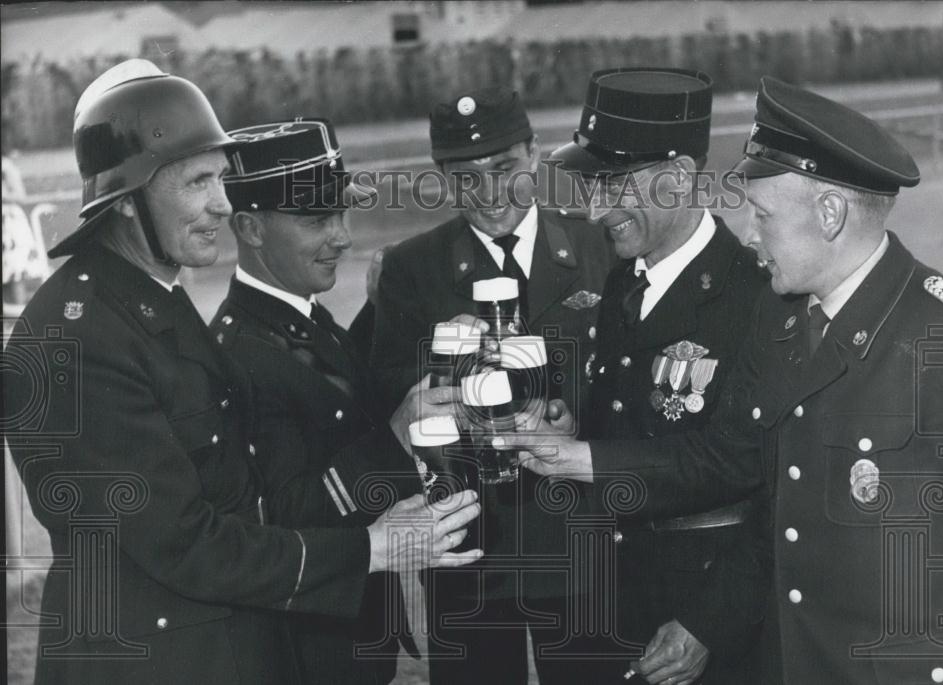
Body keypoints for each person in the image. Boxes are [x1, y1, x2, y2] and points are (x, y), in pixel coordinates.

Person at [2, 60, 481, 685]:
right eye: (198, 182)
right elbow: (185, 543)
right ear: (126, 201)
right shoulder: (75, 337)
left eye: (221, 180)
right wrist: (374, 548)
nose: (222, 204)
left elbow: (241, 494)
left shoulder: (148, 299)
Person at [509, 76, 943, 684]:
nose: (748, 235)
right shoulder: (796, 327)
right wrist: (572, 455)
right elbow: (762, 494)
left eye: (762, 215)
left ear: (829, 214)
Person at [370, 86, 616, 684]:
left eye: (504, 169)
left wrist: (574, 419)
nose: (488, 194)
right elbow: (388, 401)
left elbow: (629, 385)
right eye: (464, 178)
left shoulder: (597, 248)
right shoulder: (410, 270)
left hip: (580, 544)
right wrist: (438, 384)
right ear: (442, 179)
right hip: (469, 553)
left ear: (534, 156)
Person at [542, 66, 770, 684]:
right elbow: (636, 427)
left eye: (613, 185)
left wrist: (708, 625)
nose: (593, 209)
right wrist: (568, 427)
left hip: (705, 625)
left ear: (675, 180)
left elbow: (756, 478)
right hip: (617, 607)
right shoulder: (624, 283)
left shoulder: (757, 301)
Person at [210, 119, 431, 684]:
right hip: (305, 652)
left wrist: (383, 308)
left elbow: (330, 384)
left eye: (341, 213)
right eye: (316, 220)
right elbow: (281, 519)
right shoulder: (237, 356)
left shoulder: (301, 318)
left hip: (346, 633)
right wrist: (395, 439)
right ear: (250, 227)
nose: (343, 236)